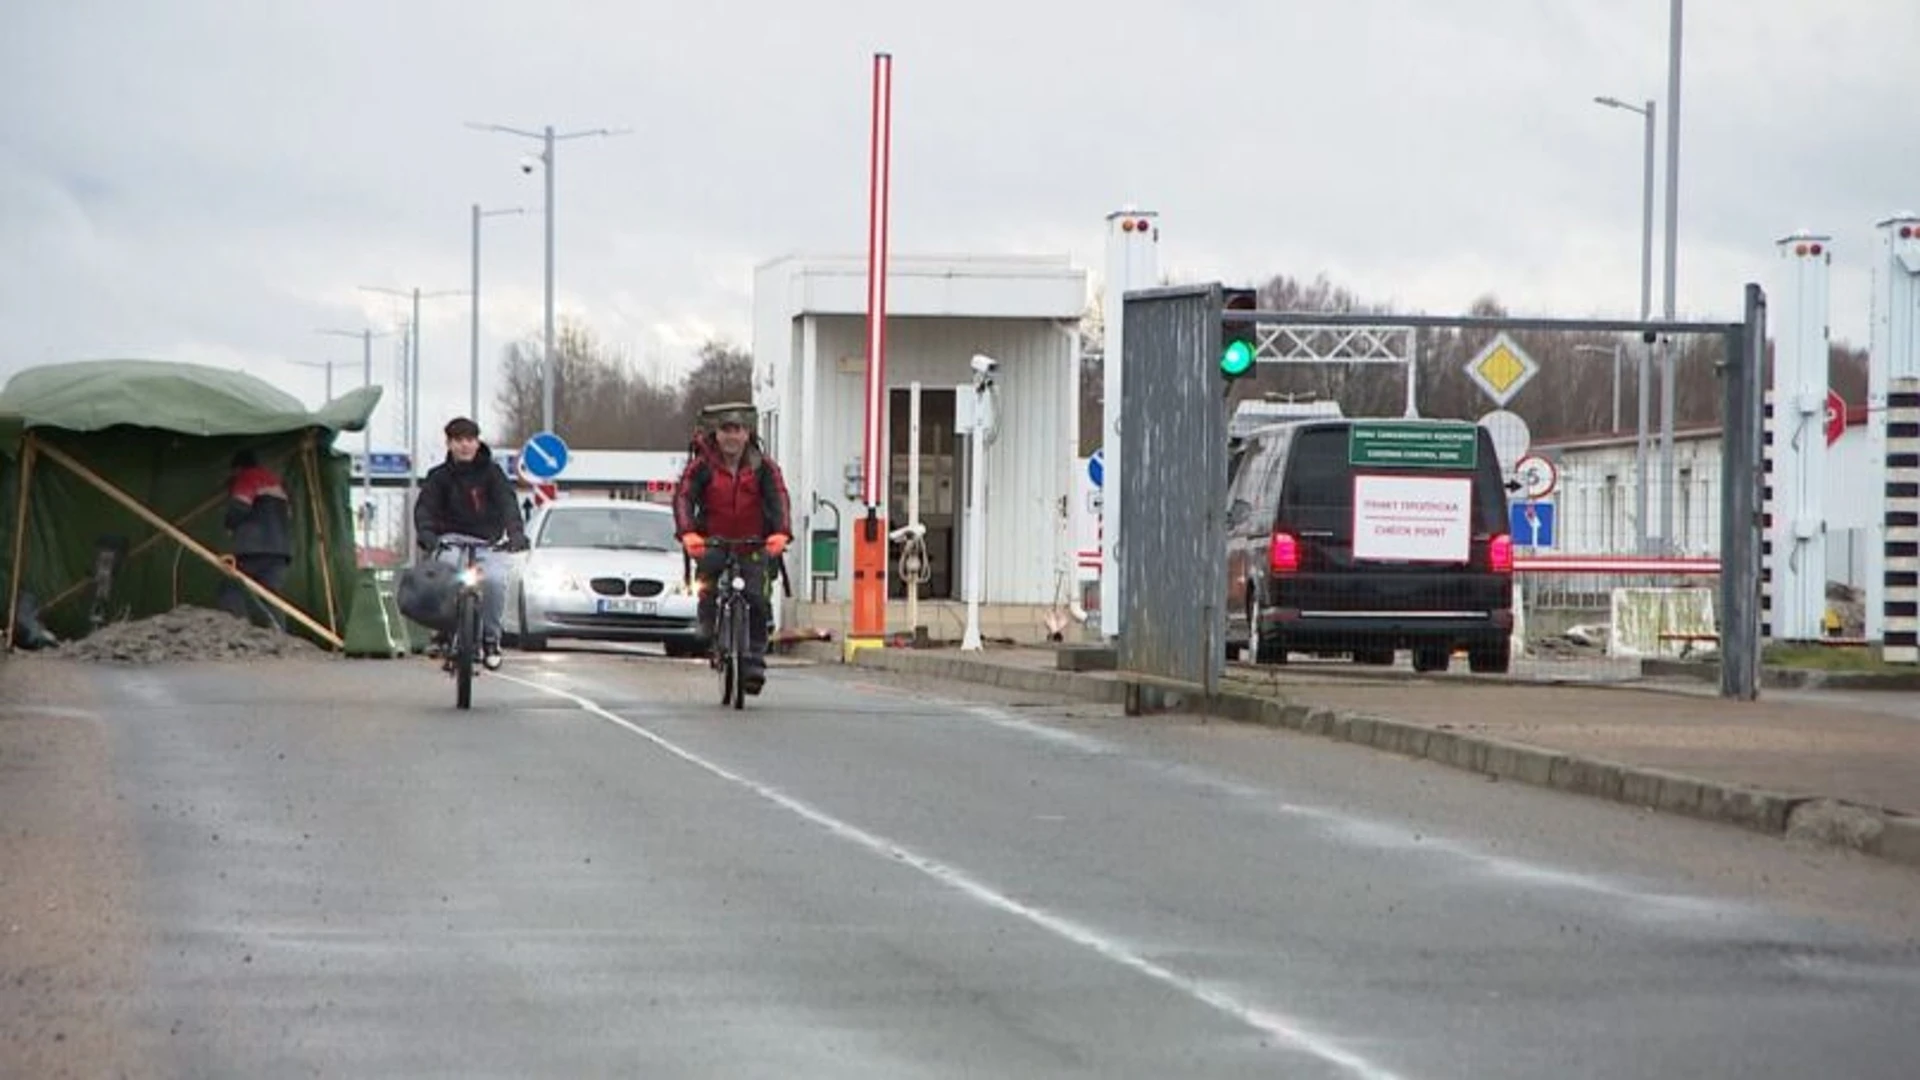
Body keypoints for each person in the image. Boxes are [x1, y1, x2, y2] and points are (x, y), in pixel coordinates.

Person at [672, 401, 792, 694]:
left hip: (753, 541)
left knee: (757, 599)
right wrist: (688, 533)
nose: (731, 437)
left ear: (747, 433)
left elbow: (779, 499)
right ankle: (709, 625)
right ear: (716, 433)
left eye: (737, 430)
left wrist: (781, 533)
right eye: (726, 430)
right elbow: (684, 498)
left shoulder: (764, 467)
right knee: (709, 581)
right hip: (713, 539)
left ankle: (752, 663)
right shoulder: (701, 466)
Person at [413, 417, 529, 669]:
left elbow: (508, 505)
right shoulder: (439, 477)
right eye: (458, 440)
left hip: (487, 543)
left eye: (470, 440)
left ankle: (491, 641)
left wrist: (516, 534)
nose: (465, 445)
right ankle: (441, 633)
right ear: (449, 444)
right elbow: (425, 510)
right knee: (441, 573)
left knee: (497, 581)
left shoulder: (493, 474)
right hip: (450, 542)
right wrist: (428, 536)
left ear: (477, 443)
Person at [220, 449, 294, 630]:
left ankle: (235, 631)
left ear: (238, 468)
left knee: (232, 587)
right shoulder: (277, 483)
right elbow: (289, 515)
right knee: (270, 595)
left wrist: (229, 525)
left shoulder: (248, 477)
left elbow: (239, 506)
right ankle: (279, 636)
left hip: (253, 547)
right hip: (280, 551)